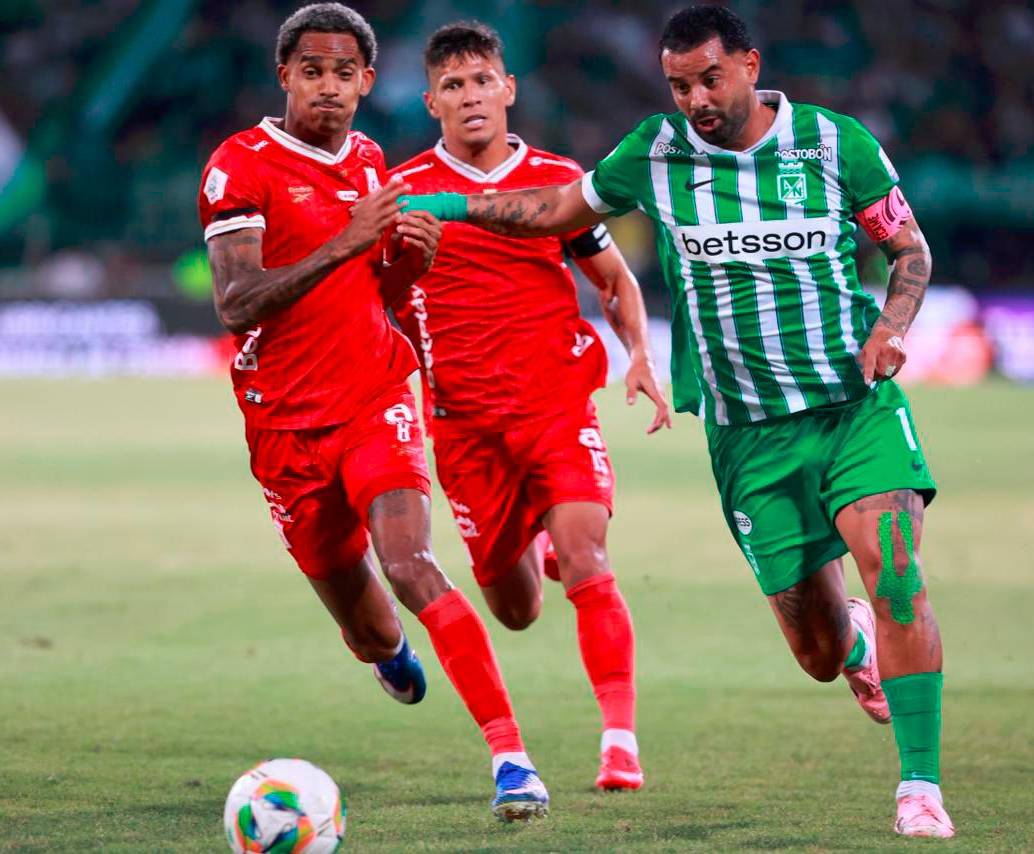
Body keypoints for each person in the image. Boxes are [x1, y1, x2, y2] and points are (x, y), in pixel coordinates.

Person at [400, 5, 954, 839]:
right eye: (679, 84)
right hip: (745, 433)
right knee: (812, 649)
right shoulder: (653, 153)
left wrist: (892, 328)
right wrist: (454, 204)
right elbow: (557, 213)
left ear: (749, 63)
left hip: (853, 405)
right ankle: (850, 645)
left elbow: (909, 251)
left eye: (709, 78)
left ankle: (919, 786)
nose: (695, 97)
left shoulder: (836, 144)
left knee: (897, 571)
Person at [197, 3, 548, 821]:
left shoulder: (368, 159)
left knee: (410, 561)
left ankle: (510, 756)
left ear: (365, 81)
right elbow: (235, 303)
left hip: (374, 397)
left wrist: (404, 266)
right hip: (284, 424)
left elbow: (373, 292)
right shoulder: (238, 166)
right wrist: (350, 242)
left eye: (345, 72)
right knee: (368, 629)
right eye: (312, 71)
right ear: (284, 76)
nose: (329, 87)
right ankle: (388, 653)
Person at [389, 21, 671, 792]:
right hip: (466, 427)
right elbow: (379, 298)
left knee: (589, 557)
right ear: (431, 103)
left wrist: (641, 354)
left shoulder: (557, 180)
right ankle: (532, 547)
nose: (471, 95)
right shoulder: (407, 191)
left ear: (508, 89)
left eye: (483, 80)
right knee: (514, 609)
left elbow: (613, 279)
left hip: (555, 407)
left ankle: (619, 741)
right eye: (454, 85)